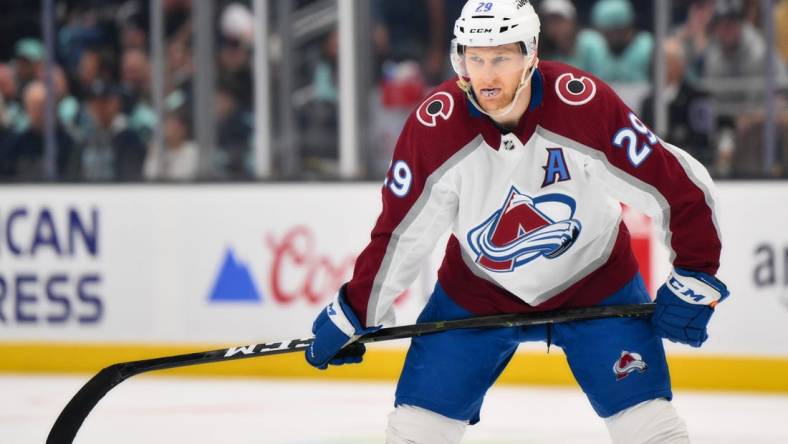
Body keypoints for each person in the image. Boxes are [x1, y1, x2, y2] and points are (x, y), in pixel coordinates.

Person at [304, 1, 729, 443]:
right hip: (478, 291)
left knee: (651, 429)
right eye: (476, 57)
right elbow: (399, 235)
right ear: (459, 58)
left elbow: (676, 183)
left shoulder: (582, 105)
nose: (486, 75)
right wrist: (356, 310)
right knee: (415, 430)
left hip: (596, 281)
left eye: (502, 58)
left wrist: (696, 273)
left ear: (531, 54)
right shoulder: (434, 129)